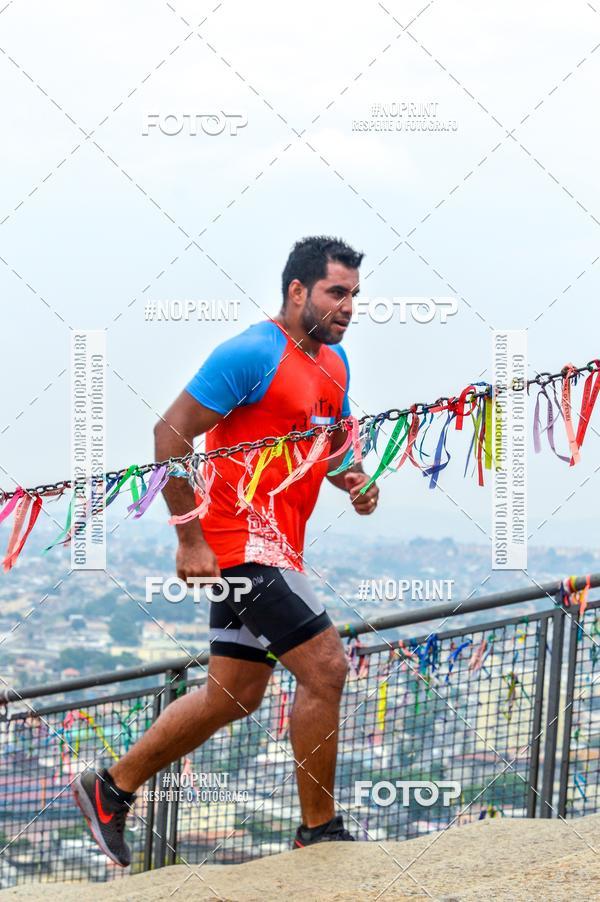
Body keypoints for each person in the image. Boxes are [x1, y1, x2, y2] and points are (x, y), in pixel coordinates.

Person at [73, 235, 380, 866]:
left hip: (279, 547)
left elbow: (330, 447)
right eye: (336, 292)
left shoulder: (335, 364)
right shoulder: (252, 352)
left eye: (354, 295)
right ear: (298, 290)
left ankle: (110, 788)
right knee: (326, 668)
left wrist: (353, 479)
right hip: (242, 544)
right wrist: (189, 537)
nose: (349, 307)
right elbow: (169, 433)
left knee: (233, 693)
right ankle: (318, 830)